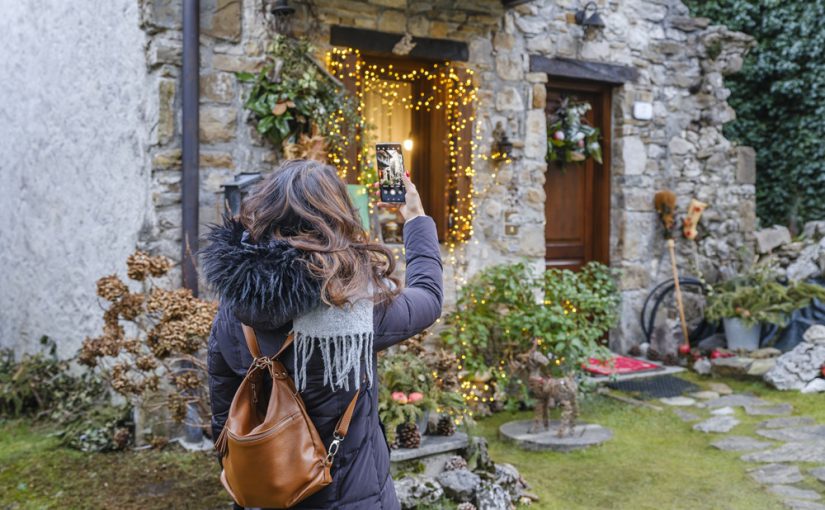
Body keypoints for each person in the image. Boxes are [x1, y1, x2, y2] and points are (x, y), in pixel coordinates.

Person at [201, 159, 443, 509]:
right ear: (337, 218)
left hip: (265, 493)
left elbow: (224, 407)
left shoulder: (233, 306)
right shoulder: (356, 309)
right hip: (352, 497)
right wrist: (417, 218)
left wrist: (252, 471)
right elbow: (429, 297)